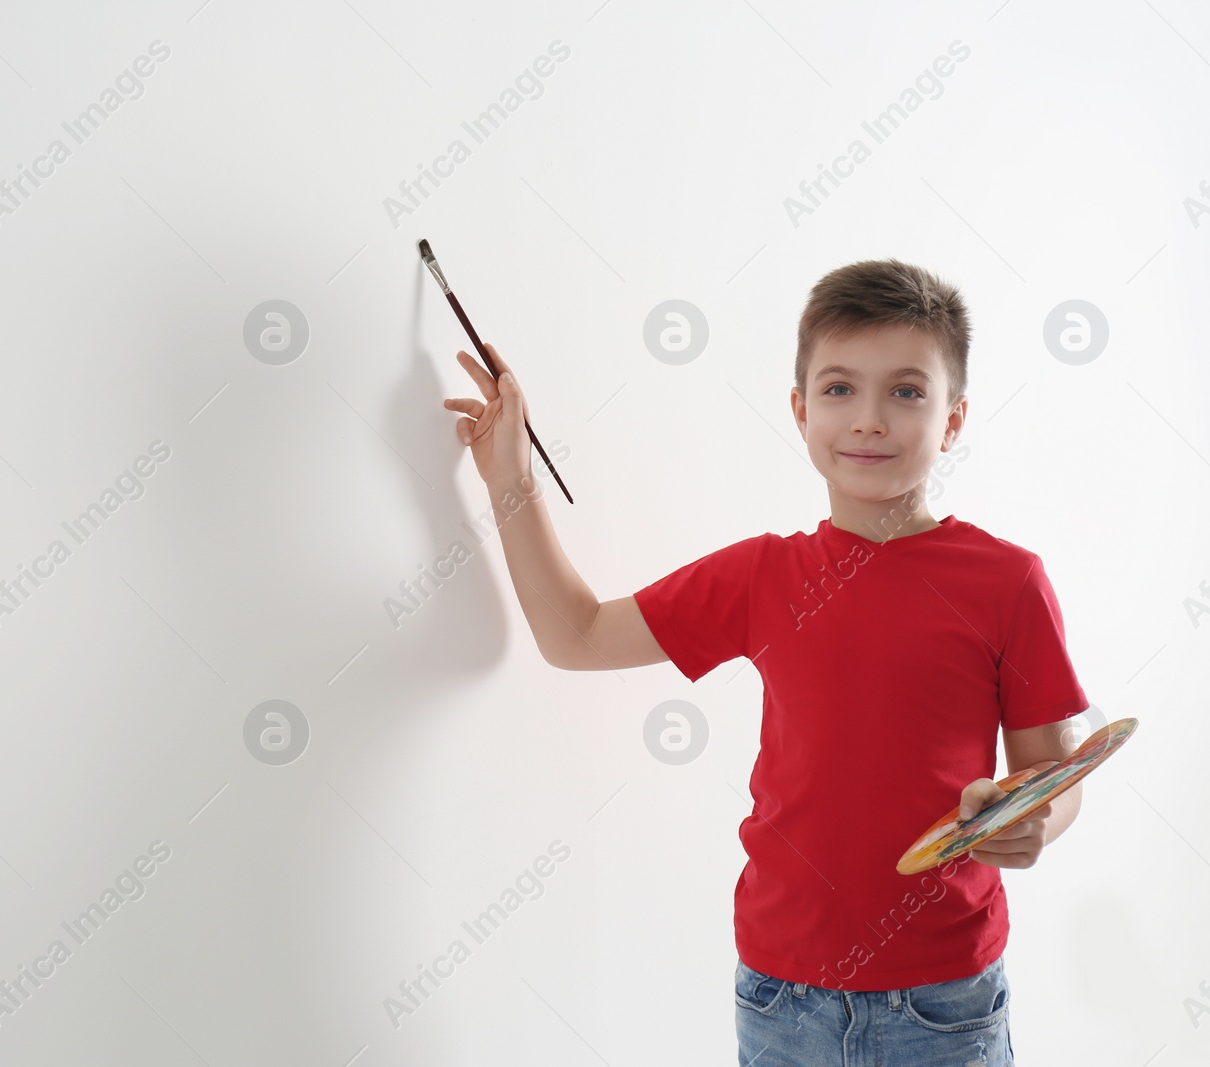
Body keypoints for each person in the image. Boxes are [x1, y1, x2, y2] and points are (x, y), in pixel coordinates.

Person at [441, 259, 1092, 1066]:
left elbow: (1052, 775)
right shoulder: (761, 576)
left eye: (908, 392)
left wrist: (1034, 822)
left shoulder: (1008, 580)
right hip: (784, 999)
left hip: (944, 1000)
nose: (870, 420)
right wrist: (510, 478)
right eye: (840, 389)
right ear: (800, 408)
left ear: (954, 418)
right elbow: (572, 636)